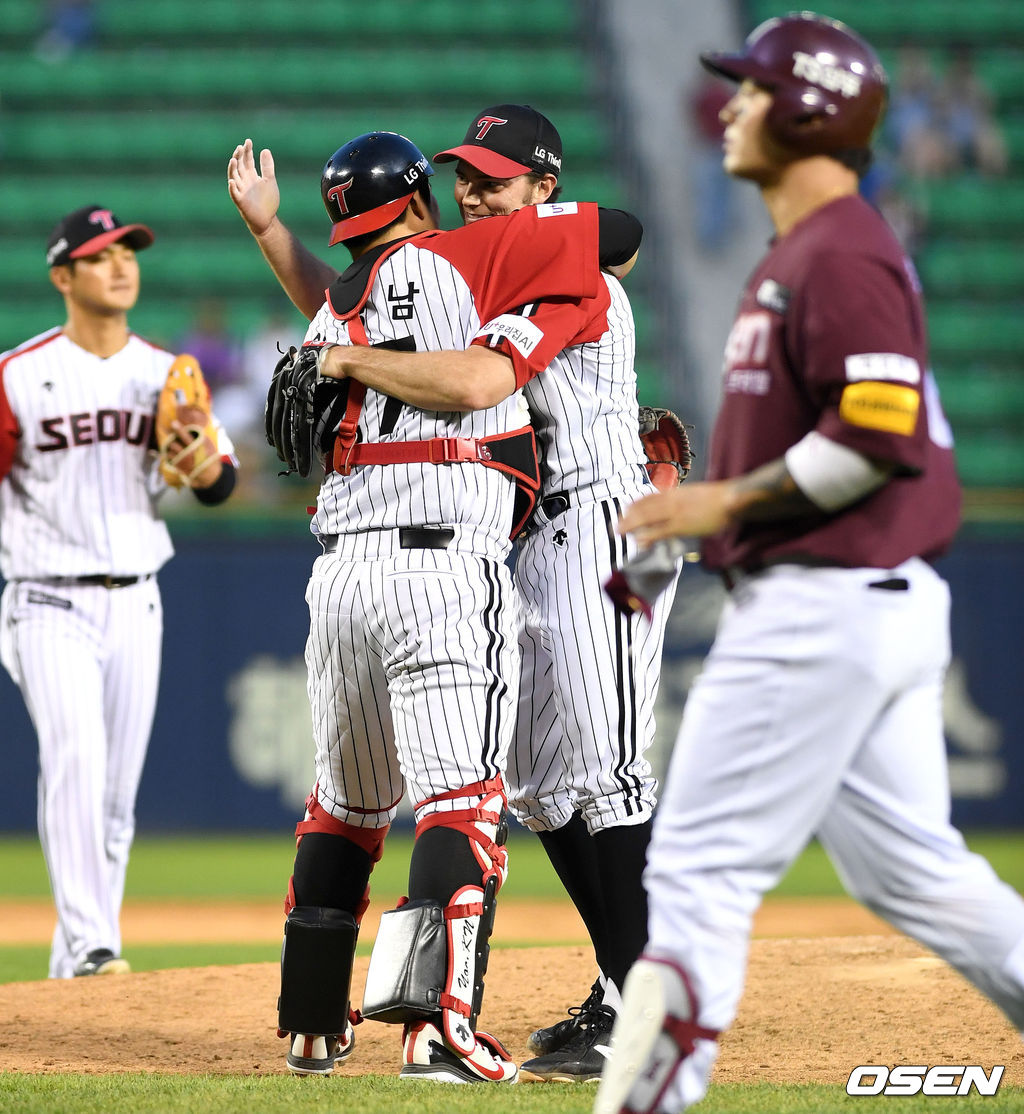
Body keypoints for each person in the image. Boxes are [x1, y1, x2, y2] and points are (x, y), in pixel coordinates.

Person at [593, 14, 1024, 1114]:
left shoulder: (840, 248)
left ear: (808, 110)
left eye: (748, 90)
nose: (727, 107)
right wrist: (696, 523)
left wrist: (720, 501)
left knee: (692, 877)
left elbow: (874, 431)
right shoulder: (806, 251)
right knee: (916, 874)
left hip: (820, 603)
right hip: (854, 598)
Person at [228, 105, 681, 1082]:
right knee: (529, 782)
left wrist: (337, 356)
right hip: (509, 536)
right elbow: (365, 299)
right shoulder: (467, 268)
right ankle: (615, 986)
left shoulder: (556, 263)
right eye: (463, 173)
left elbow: (464, 362)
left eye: (496, 175)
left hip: (596, 521)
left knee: (601, 769)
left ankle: (643, 1000)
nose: (475, 188)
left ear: (545, 188)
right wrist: (276, 239)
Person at [0, 204, 238, 980]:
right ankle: (96, 944)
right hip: (43, 597)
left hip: (136, 596)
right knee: (76, 754)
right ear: (63, 275)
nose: (122, 265)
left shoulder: (165, 373)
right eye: (102, 256)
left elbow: (218, 482)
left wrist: (204, 468)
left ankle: (77, 966)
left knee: (115, 799)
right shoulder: (17, 374)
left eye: (129, 251)